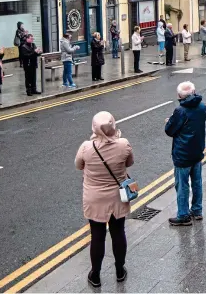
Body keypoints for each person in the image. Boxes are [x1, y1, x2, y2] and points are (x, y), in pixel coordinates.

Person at [75, 111, 134, 287]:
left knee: (97, 236)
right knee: (118, 232)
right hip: (117, 196)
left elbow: (78, 165)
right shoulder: (123, 144)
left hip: (94, 198)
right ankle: (119, 270)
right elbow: (129, 163)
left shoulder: (86, 147)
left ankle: (95, 275)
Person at [165, 81, 206, 226]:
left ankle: (183, 215)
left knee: (182, 185)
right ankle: (197, 211)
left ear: (179, 95)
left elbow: (170, 130)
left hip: (183, 154)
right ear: (194, 91)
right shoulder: (202, 107)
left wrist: (169, 121)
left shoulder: (180, 111)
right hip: (197, 151)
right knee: (197, 182)